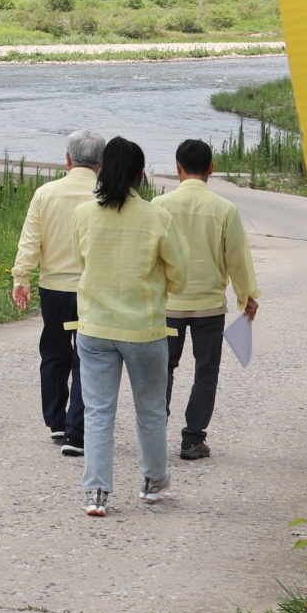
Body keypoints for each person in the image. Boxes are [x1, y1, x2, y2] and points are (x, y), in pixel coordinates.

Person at [69, 136, 186, 516]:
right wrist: (158, 287)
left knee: (98, 412)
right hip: (144, 329)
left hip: (94, 327)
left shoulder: (83, 214)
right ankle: (152, 481)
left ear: (101, 169)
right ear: (141, 174)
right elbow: (180, 275)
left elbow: (81, 262)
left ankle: (96, 493)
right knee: (150, 409)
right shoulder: (157, 217)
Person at [158, 138, 259, 461]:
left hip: (168, 305)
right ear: (211, 169)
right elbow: (237, 258)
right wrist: (247, 296)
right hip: (209, 306)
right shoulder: (224, 209)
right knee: (206, 370)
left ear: (177, 168)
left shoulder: (159, 206)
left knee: (163, 368)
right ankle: (192, 439)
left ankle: (154, 433)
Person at [10, 129, 103, 455]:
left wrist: (21, 277)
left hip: (54, 288)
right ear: (101, 163)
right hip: (93, 290)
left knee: (53, 352)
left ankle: (56, 421)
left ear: (68, 159)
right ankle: (77, 429)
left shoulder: (46, 193)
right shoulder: (106, 194)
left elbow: (30, 240)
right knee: (87, 357)